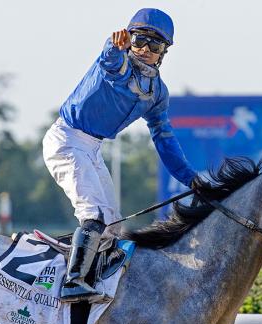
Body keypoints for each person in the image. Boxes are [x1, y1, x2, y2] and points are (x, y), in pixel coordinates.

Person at [43, 8, 198, 303]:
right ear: (128, 39)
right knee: (94, 215)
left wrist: (191, 179)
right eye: (139, 41)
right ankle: (73, 282)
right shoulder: (117, 62)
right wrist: (115, 46)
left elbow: (165, 141)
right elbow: (110, 61)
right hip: (66, 140)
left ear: (164, 52)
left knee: (113, 226)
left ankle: (96, 280)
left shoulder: (158, 93)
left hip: (91, 148)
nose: (145, 50)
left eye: (155, 45)